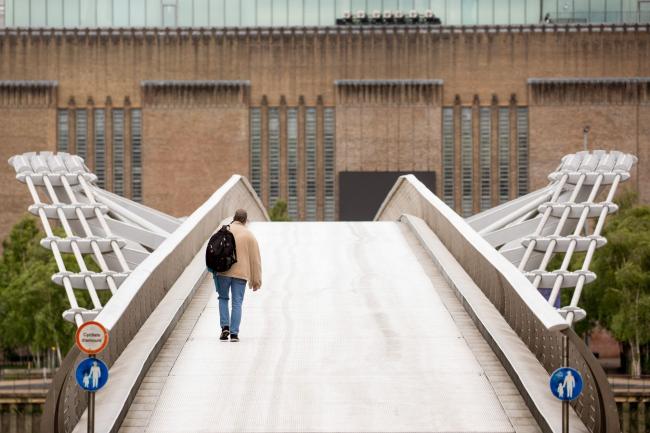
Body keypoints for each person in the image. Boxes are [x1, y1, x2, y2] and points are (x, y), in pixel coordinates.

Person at [212, 209, 262, 342]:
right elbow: (255, 260)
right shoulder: (249, 235)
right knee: (237, 303)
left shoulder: (223, 231)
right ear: (245, 220)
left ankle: (225, 328)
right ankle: (234, 334)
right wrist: (255, 281)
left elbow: (214, 250)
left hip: (223, 271)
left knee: (223, 298)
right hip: (241, 274)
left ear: (234, 218)